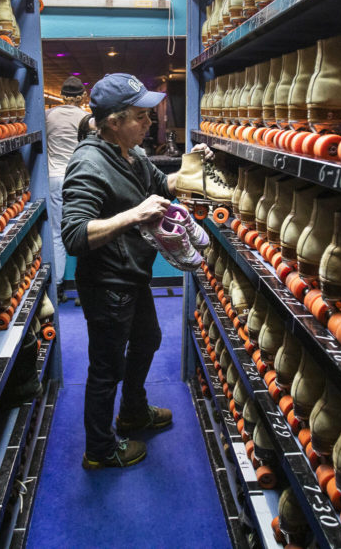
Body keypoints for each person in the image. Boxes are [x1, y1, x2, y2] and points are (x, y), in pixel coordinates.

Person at [61, 72, 212, 469]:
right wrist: (133, 215)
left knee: (147, 338)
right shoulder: (88, 163)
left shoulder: (135, 156)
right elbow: (75, 235)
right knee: (106, 366)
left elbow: (165, 187)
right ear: (113, 122)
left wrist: (192, 166)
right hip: (107, 281)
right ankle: (99, 450)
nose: (149, 124)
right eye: (140, 117)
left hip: (132, 275)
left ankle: (132, 411)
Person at [45, 76, 89, 303]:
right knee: (84, 230)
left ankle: (58, 288)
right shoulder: (86, 118)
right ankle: (84, 290)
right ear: (82, 96)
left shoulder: (48, 116)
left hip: (54, 178)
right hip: (78, 177)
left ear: (61, 96)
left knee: (56, 234)